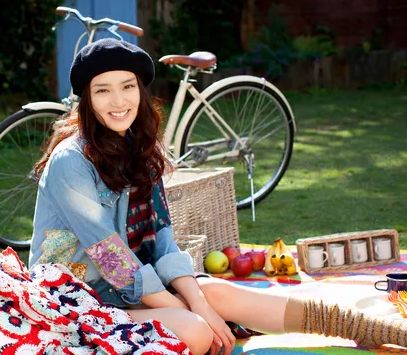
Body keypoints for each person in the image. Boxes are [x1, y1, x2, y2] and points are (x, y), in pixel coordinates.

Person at [28, 38, 407, 355]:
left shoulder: (139, 147)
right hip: (76, 297)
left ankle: (365, 325)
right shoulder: (71, 162)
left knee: (218, 293)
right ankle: (202, 323)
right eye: (103, 90)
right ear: (87, 100)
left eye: (127, 86)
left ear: (140, 91)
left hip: (128, 289)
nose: (118, 100)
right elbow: (112, 259)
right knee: (195, 330)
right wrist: (195, 311)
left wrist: (200, 301)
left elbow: (162, 240)